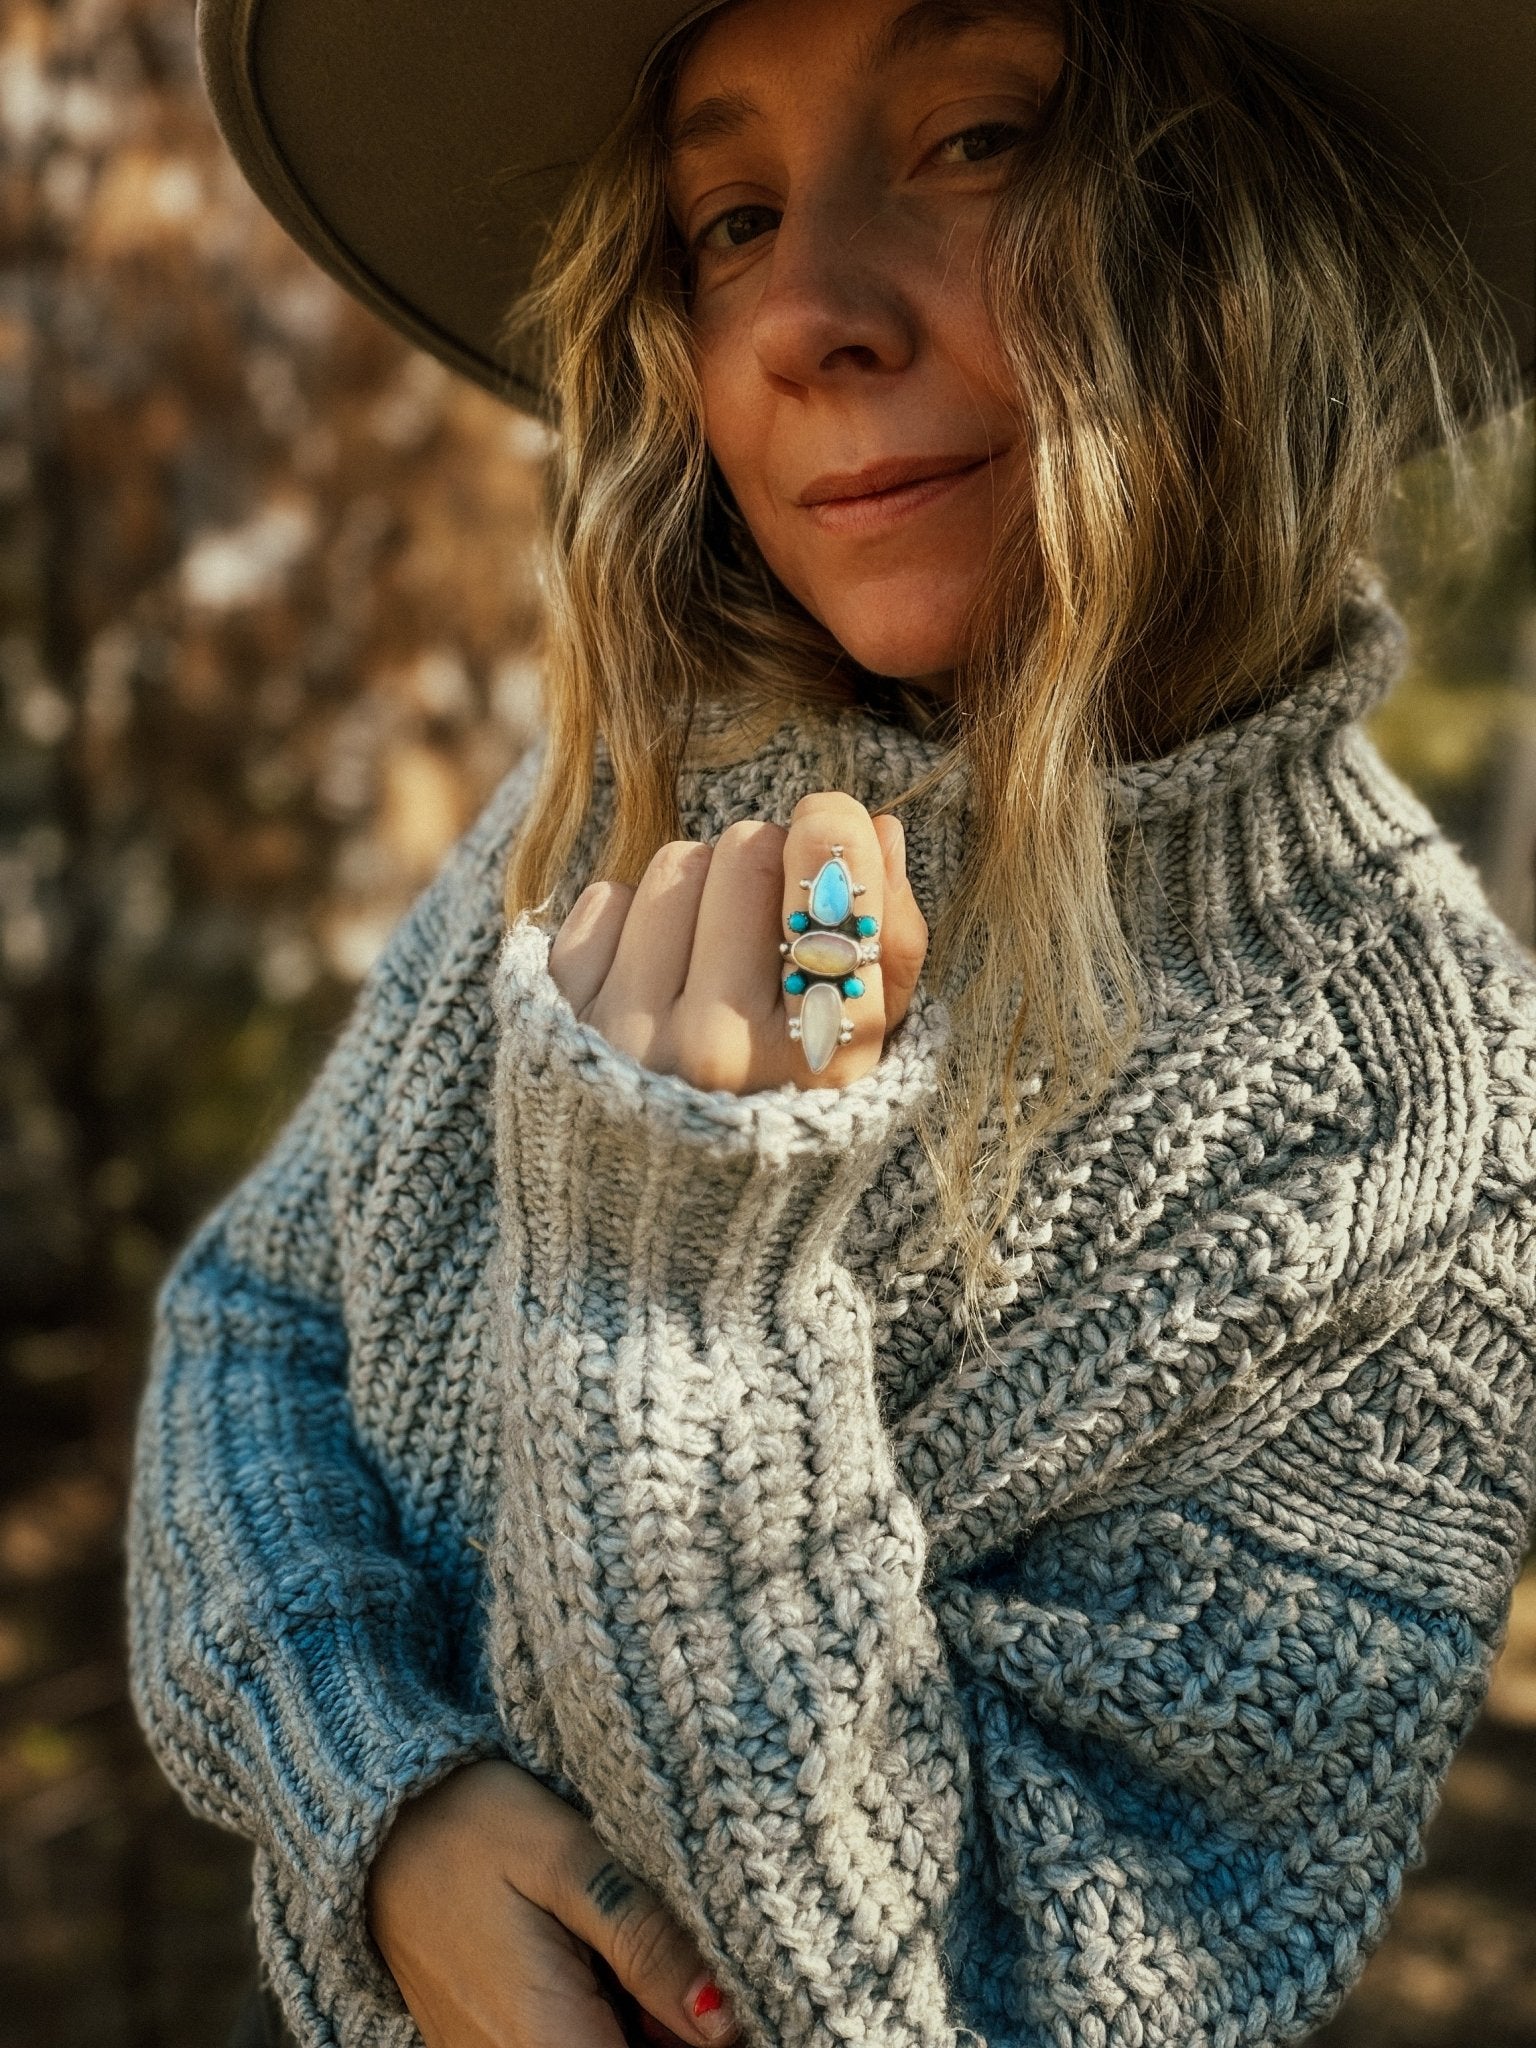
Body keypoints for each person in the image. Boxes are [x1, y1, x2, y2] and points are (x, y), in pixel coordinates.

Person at [128, 0, 1536, 2045]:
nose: (806, 316)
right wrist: (384, 1803)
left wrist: (678, 1296)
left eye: (979, 142)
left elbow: (980, 2002)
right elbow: (252, 1329)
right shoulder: (613, 796)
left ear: (1254, 222)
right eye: (730, 213)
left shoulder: (1435, 1139)